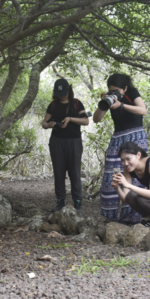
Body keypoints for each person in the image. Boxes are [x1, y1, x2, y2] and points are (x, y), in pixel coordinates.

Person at [93, 73, 148, 223]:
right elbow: (96, 119)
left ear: (125, 88)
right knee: (112, 176)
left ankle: (133, 218)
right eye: (112, 90)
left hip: (136, 137)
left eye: (117, 90)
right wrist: (105, 101)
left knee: (135, 177)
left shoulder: (132, 92)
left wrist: (122, 105)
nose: (115, 93)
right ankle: (109, 217)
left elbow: (143, 110)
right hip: (118, 138)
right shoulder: (110, 99)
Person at [42, 78, 89, 213]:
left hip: (74, 141)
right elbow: (44, 123)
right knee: (59, 172)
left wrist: (70, 119)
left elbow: (85, 121)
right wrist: (49, 124)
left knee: (74, 172)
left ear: (69, 90)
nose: (61, 95)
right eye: (59, 93)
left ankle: (78, 203)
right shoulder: (53, 105)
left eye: (64, 92)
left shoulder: (76, 103)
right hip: (57, 141)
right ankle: (60, 202)